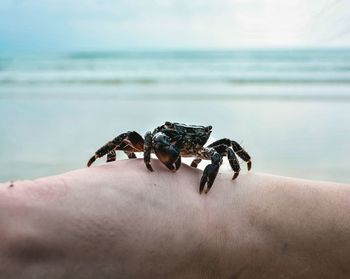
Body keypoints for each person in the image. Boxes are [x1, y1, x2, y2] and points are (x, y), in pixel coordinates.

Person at [0, 159, 350, 279]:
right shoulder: (158, 138)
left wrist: (204, 217)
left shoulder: (207, 149)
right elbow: (132, 144)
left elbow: (226, 154)